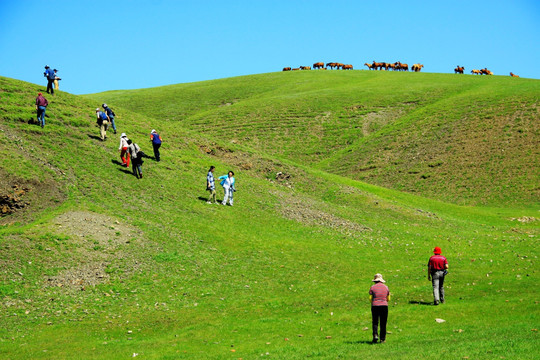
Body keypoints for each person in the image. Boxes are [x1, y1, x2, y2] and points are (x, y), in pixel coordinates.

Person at [369, 273, 390, 344]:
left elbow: (370, 298)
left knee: (375, 322)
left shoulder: (372, 287)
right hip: (384, 306)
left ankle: (375, 335)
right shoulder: (386, 287)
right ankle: (382, 339)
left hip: (375, 306)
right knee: (383, 323)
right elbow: (388, 298)